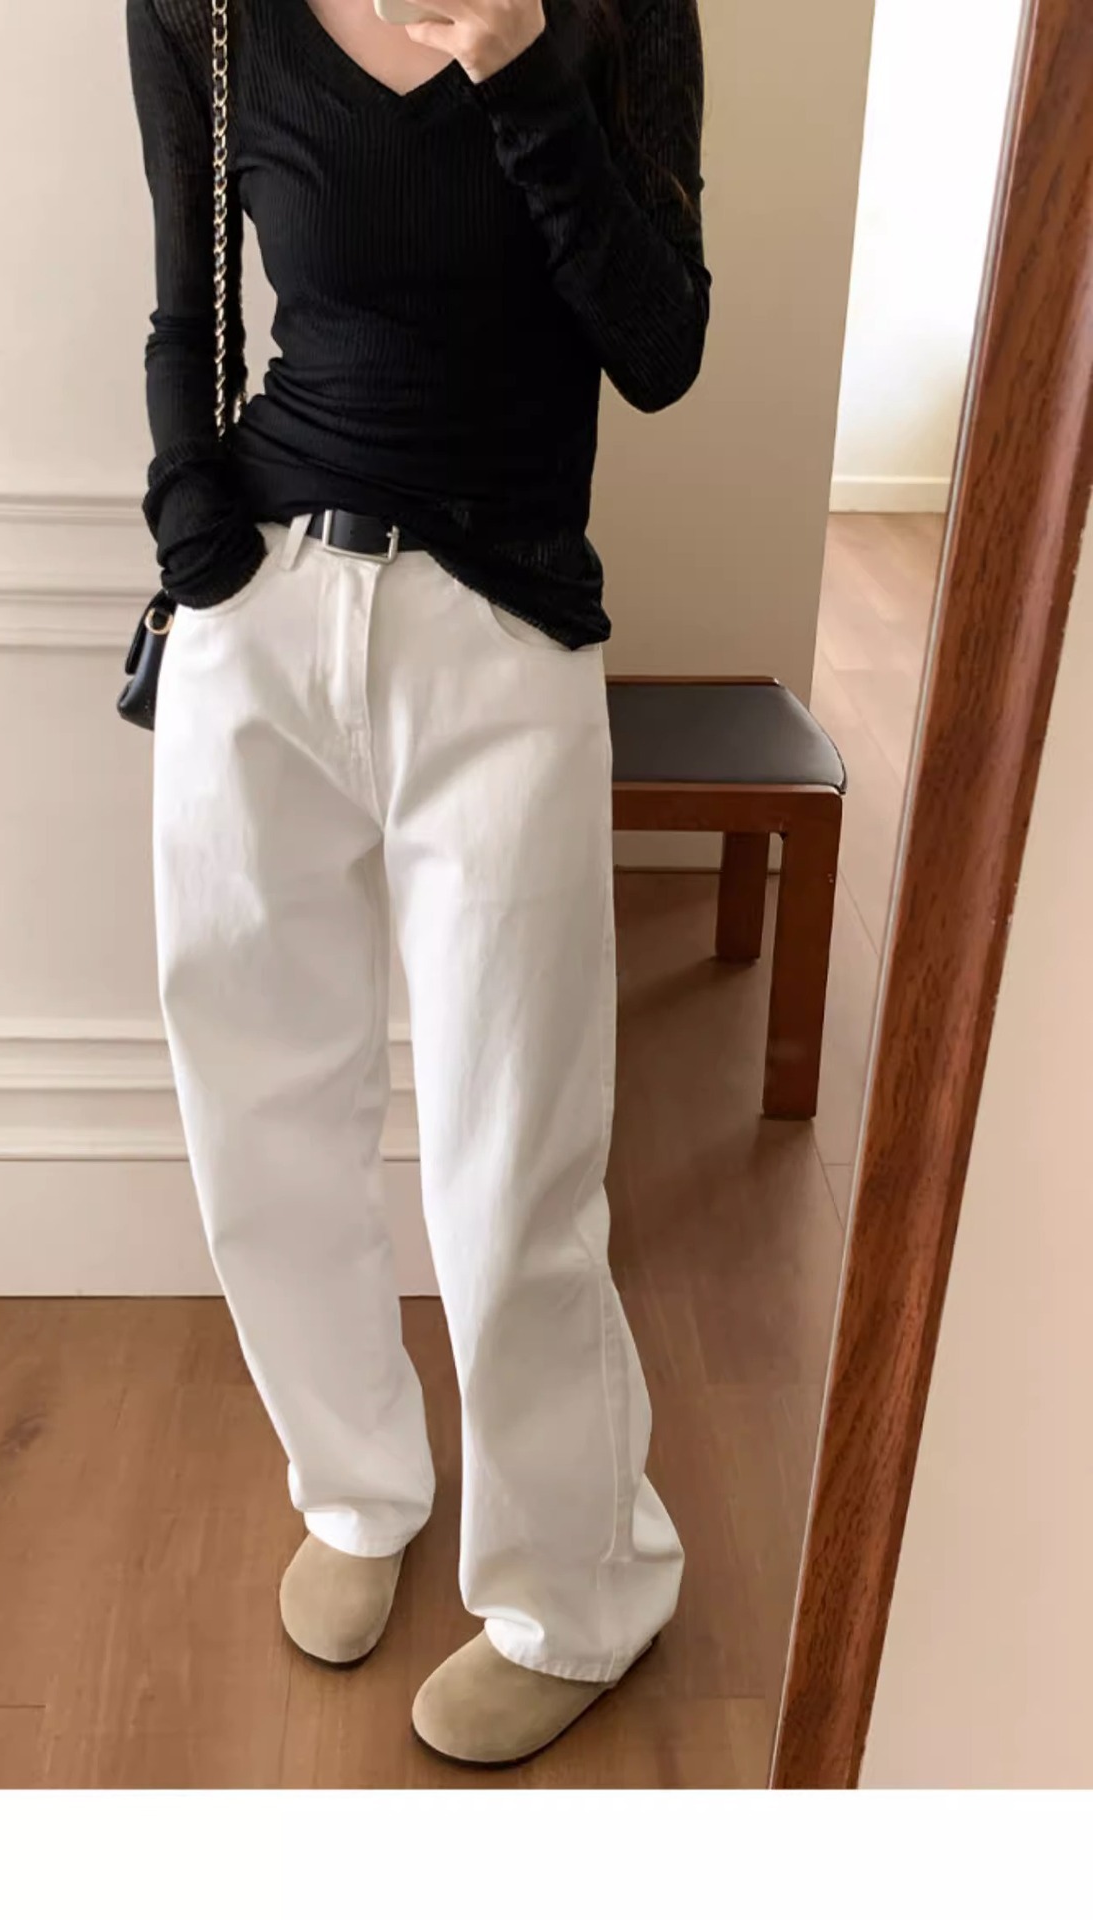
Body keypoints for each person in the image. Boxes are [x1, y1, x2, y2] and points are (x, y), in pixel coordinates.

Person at [126, 0, 709, 1766]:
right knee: (260, 1118)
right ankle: (355, 1482)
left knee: (511, 1162)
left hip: (501, 630)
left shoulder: (612, 10)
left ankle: (581, 1588)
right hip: (263, 614)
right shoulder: (202, 6)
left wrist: (519, 68)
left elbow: (661, 346)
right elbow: (186, 310)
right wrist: (199, 546)